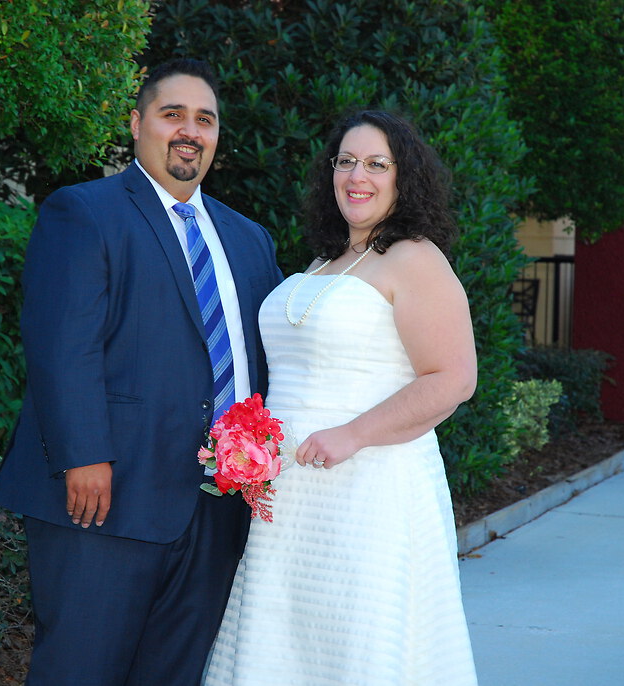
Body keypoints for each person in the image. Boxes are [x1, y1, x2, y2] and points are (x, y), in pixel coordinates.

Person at [0, 58, 282, 686]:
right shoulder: (84, 212)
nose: (189, 131)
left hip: (215, 510)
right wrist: (83, 455)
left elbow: (263, 360)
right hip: (104, 497)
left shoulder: (249, 239)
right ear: (136, 123)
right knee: (80, 670)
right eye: (172, 114)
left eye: (205, 119)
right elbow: (62, 346)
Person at [204, 111, 480, 685]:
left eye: (378, 164)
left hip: (370, 487)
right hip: (290, 497)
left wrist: (353, 434)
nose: (359, 176)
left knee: (354, 640)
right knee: (287, 643)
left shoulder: (415, 258)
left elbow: (453, 379)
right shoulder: (325, 261)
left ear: (404, 177)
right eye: (347, 161)